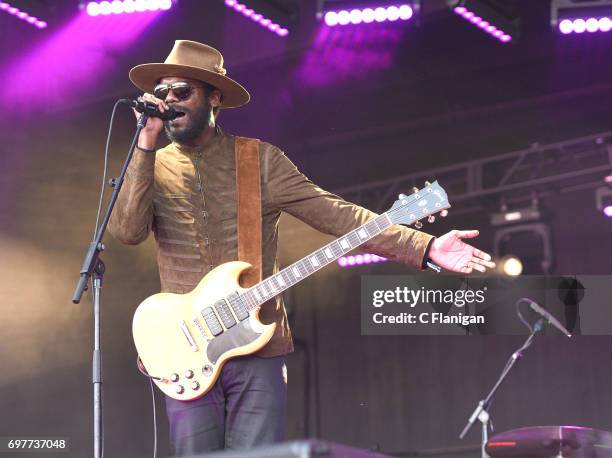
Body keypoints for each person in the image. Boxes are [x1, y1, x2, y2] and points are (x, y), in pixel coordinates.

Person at [108, 40, 495, 456]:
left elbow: (338, 215)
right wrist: (144, 146)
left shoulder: (259, 160)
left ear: (214, 97)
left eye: (181, 91)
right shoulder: (149, 164)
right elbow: (127, 231)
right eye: (162, 93)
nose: (168, 101)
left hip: (259, 347)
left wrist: (424, 246)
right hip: (184, 352)